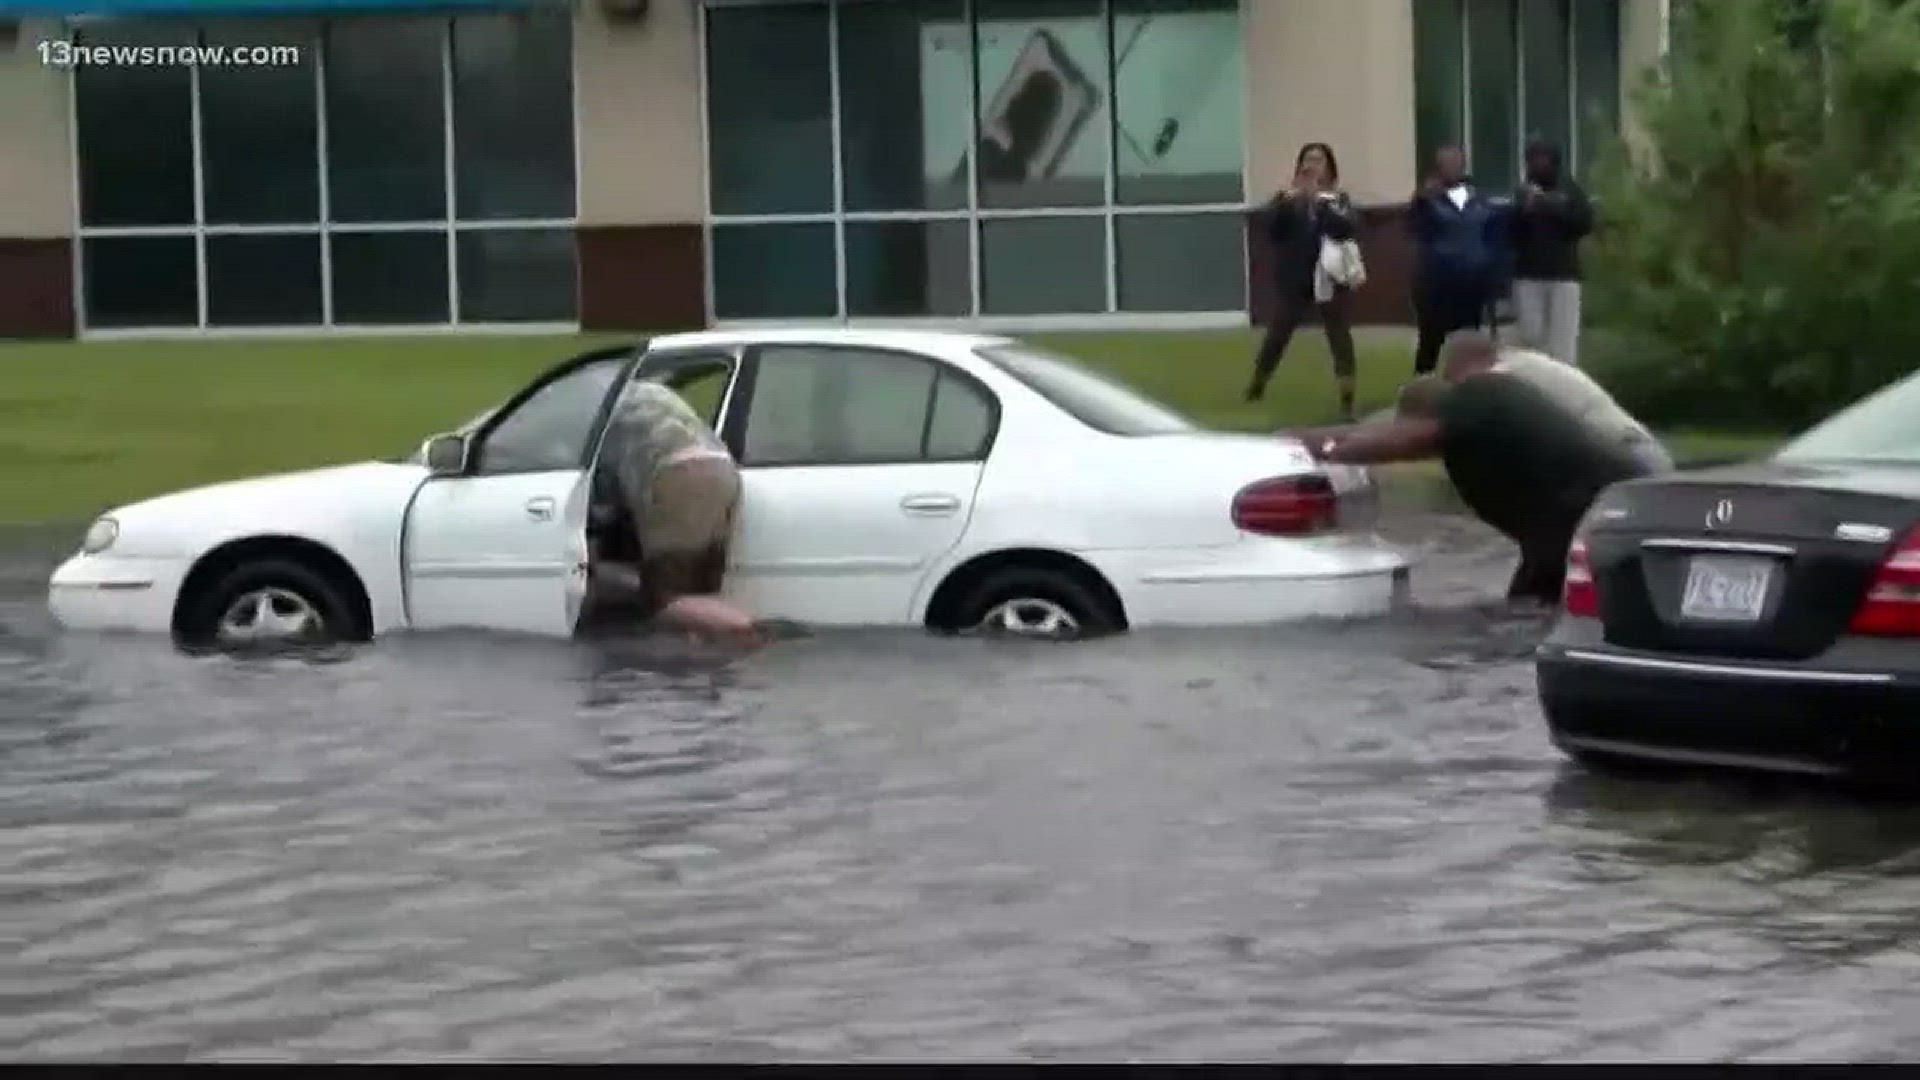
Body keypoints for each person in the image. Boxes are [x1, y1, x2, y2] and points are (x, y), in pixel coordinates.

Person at [1307, 331, 1666, 606]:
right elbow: (1391, 432)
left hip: (1601, 497)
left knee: (1542, 604)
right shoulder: (1503, 393)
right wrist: (1302, 439)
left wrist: (1328, 452)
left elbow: (1399, 440)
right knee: (1539, 598)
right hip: (1597, 498)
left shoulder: (1480, 395)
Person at [597, 378, 759, 645]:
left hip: (680, 473)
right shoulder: (653, 392)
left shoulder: (607, 402)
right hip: (723, 468)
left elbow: (600, 466)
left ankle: (752, 631)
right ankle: (708, 656)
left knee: (665, 598)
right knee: (701, 589)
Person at [1246, 142, 1363, 419]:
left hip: (1330, 278)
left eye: (1318, 160)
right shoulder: (1286, 199)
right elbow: (1272, 231)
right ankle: (1257, 385)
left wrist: (1319, 205)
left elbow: (1346, 229)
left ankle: (1347, 398)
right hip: (1296, 278)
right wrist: (1292, 201)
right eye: (1307, 160)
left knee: (1339, 337)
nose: (1312, 165)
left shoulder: (1338, 200)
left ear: (1330, 167)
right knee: (1279, 333)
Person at [1409, 145, 1509, 376]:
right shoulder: (1429, 201)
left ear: (1463, 165)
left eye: (1455, 162)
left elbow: (1494, 239)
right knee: (1430, 341)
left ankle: (1463, 386)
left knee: (1467, 341)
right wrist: (1420, 201)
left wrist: (1494, 274)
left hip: (1472, 282)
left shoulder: (1480, 200)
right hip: (1437, 282)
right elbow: (1414, 229)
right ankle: (1423, 390)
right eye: (1445, 163)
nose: (1450, 168)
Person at [1508, 141, 1594, 366]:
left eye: (1543, 159)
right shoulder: (1522, 192)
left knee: (1563, 341)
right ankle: (1536, 383)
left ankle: (1563, 388)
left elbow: (1583, 224)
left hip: (1563, 274)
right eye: (1533, 159)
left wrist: (1548, 205)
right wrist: (1523, 211)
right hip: (1528, 274)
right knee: (1530, 336)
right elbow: (1510, 232)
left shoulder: (1570, 190)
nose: (1538, 164)